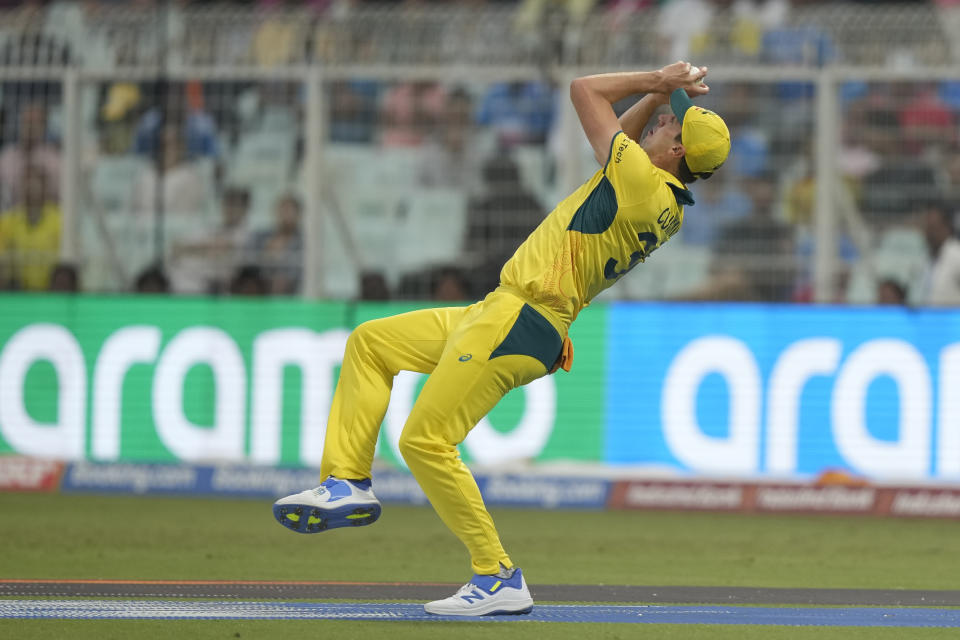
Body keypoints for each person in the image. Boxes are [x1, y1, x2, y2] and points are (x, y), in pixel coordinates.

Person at [272, 61, 729, 616]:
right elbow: (622, 132)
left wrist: (658, 79)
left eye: (671, 125)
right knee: (371, 343)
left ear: (677, 153)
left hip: (521, 315)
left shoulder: (638, 180)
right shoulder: (657, 195)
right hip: (502, 310)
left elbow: (584, 91)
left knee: (424, 440)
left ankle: (497, 576)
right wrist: (662, 93)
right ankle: (347, 482)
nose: (660, 118)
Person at [918, 200, 960, 306]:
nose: (928, 234)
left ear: (947, 228)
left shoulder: (956, 255)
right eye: (927, 228)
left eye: (933, 228)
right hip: (930, 318)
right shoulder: (928, 258)